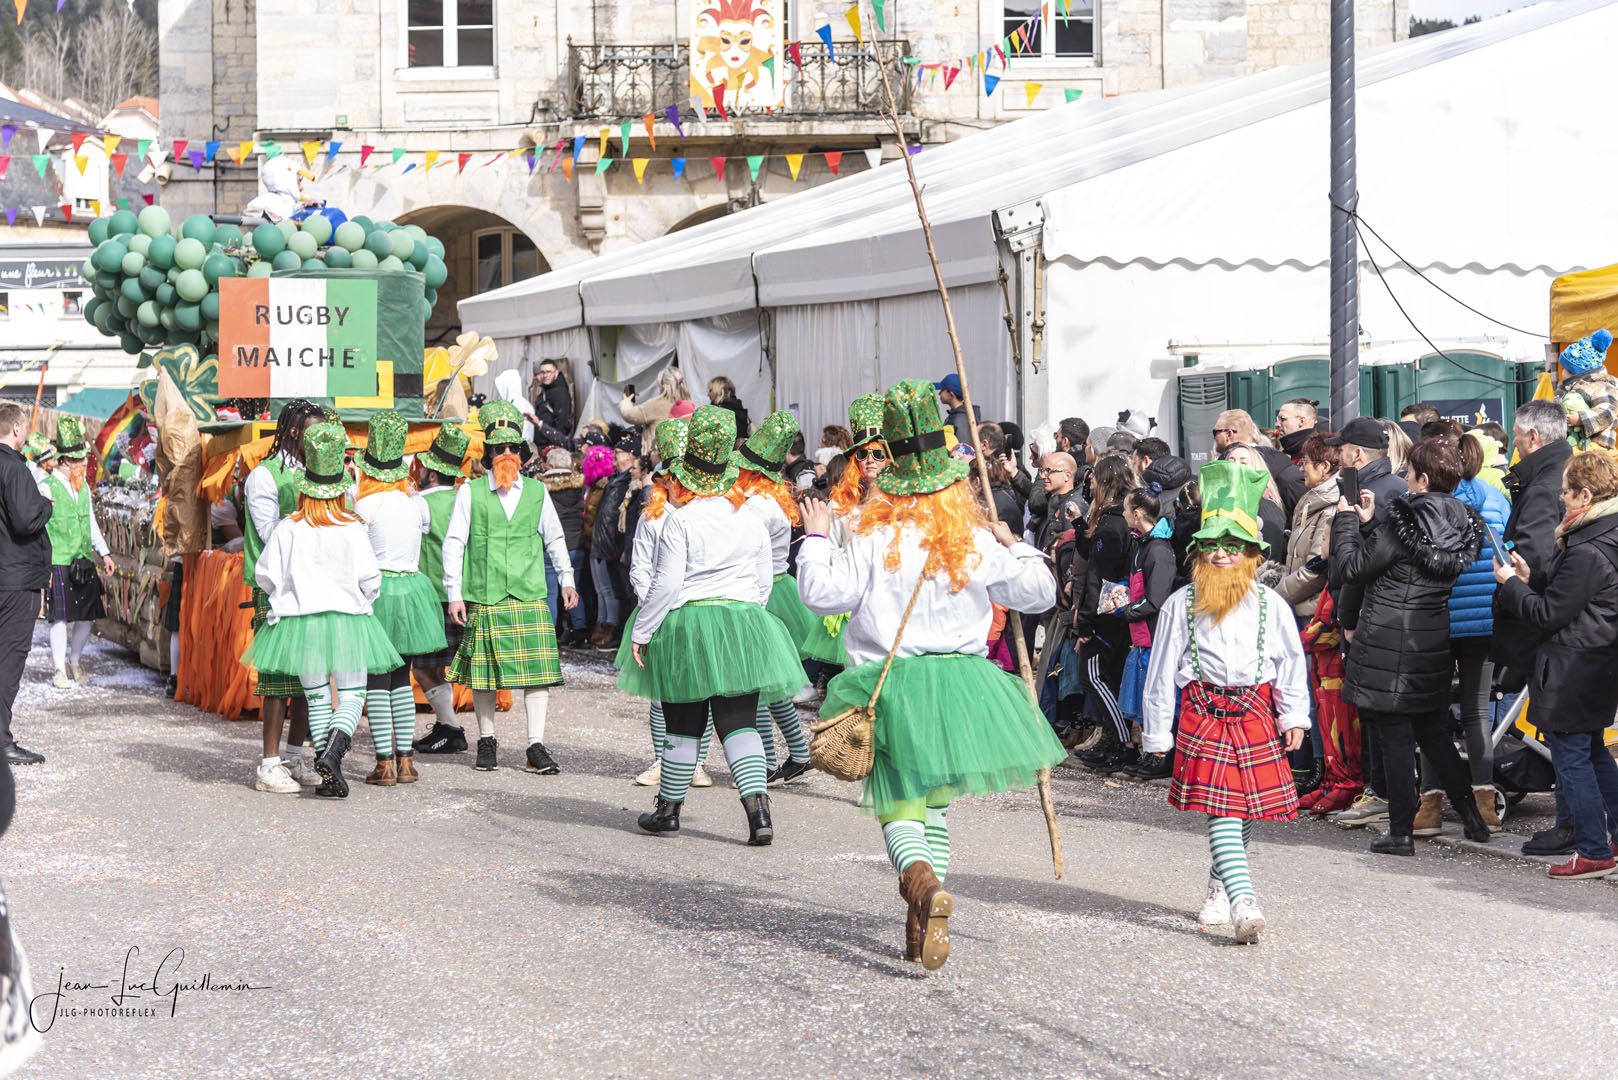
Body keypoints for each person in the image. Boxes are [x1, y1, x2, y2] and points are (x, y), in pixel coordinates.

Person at [798, 380, 1064, 970]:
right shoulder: (971, 536)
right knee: (937, 808)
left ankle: (920, 884)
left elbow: (820, 594)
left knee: (900, 804)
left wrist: (815, 540)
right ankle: (920, 918)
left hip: (893, 685)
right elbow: (1041, 592)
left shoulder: (873, 534)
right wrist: (1015, 544)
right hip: (962, 686)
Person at [1141, 461, 1310, 945]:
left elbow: (1290, 662)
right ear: (1198, 551)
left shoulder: (1271, 605)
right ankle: (1243, 900)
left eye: (1233, 545)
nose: (1221, 554)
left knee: (1245, 808)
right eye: (1212, 545)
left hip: (1255, 711)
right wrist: (1157, 732)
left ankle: (1218, 884)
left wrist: (1294, 714)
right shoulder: (1181, 604)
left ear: (1252, 553)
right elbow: (1160, 672)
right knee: (1225, 809)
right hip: (1204, 712)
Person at [620, 405, 805, 845]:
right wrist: (743, 617)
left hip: (688, 624)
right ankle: (759, 813)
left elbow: (665, 586)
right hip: (743, 620)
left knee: (683, 723)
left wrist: (642, 632)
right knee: (740, 723)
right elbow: (763, 583)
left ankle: (668, 810)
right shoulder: (750, 520)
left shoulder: (680, 521)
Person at [1331, 438, 1490, 855]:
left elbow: (1352, 568)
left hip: (1388, 640)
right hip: (1431, 639)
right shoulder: (1460, 521)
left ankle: (1400, 831)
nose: (1403, 478)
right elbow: (1405, 564)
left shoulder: (1405, 520)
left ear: (1423, 479)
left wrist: (1346, 520)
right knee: (1433, 733)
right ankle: (1472, 818)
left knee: (1395, 737)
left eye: (1409, 473)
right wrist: (1371, 525)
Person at [241, 422, 405, 799]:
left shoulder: (288, 528)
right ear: (339, 487)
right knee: (352, 695)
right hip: (348, 619)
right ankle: (332, 754)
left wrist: (291, 594)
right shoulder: (351, 527)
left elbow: (265, 575)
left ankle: (326, 772)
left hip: (300, 623)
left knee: (316, 697)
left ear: (305, 487)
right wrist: (361, 596)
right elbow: (371, 580)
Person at [1493, 450, 1618, 879]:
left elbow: (1548, 615)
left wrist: (1511, 586)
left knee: (1574, 760)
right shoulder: (1602, 534)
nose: (1560, 498)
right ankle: (1608, 840)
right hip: (1595, 662)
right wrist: (1532, 578)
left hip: (1573, 667)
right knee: (1593, 753)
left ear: (1586, 495)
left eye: (1566, 492)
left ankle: (1593, 851)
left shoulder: (1587, 547)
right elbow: (1574, 595)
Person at [445, 400, 580, 775]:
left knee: (538, 673)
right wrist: (454, 593)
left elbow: (555, 538)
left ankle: (535, 746)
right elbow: (454, 543)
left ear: (521, 453)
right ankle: (487, 740)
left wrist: (567, 580)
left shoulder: (537, 491)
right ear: (488, 454)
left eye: (512, 447)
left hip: (529, 593)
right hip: (485, 595)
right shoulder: (469, 492)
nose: (506, 453)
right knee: (484, 673)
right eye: (499, 447)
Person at [620, 419, 716, 791]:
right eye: (670, 477)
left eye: (683, 476)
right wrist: (655, 608)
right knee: (662, 692)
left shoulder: (707, 516)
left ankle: (697, 762)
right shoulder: (653, 517)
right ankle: (665, 759)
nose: (677, 483)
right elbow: (641, 567)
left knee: (703, 687)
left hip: (700, 613)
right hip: (662, 614)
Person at [352, 410, 446, 787]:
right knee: (402, 678)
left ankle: (384, 763)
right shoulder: (414, 504)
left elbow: (358, 557)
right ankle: (406, 761)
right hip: (411, 591)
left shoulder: (364, 506)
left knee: (377, 678)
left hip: (378, 593)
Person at [1427, 431, 1510, 833]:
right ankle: (1483, 802)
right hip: (1483, 621)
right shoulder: (1495, 498)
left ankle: (1429, 805)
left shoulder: (1431, 502)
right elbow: (1507, 550)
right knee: (1477, 712)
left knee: (1433, 713)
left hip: (1438, 619)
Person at [242, 399, 326, 793]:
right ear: (294, 432)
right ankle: (269, 764)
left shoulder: (320, 473)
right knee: (277, 678)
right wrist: (314, 518)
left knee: (309, 675)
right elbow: (269, 533)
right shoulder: (264, 475)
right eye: (314, 433)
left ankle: (295, 756)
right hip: (275, 586)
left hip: (312, 585)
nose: (321, 440)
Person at [732, 411, 819, 784]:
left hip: (763, 593)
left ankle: (767, 761)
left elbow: (747, 554)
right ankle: (796, 753)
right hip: (778, 588)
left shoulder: (755, 505)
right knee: (769, 684)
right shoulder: (773, 499)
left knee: (754, 684)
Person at [410, 421, 473, 757]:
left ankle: (451, 728)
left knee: (423, 668)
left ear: (432, 473)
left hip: (433, 595)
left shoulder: (420, 503)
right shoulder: (467, 498)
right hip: (465, 594)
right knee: (451, 668)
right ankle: (451, 728)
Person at [1072, 454, 1138, 772]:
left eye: (1095, 478)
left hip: (1106, 613)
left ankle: (1123, 743)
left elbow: (1101, 577)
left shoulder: (1113, 524)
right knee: (1105, 678)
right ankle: (1112, 740)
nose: (1091, 483)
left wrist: (1087, 621)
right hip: (1112, 610)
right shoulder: (1113, 519)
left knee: (1094, 677)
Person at [38, 416, 113, 690]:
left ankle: (75, 661)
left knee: (86, 616)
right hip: (58, 560)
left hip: (83, 558)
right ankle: (59, 670)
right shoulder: (46, 487)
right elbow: (39, 529)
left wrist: (104, 553)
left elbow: (91, 522)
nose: (84, 464)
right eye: (81, 460)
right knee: (59, 617)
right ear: (66, 461)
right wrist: (42, 565)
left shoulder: (84, 489)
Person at [0, 402, 52, 766]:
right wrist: (45, 504)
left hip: (7, 573)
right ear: (17, 429)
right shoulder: (13, 467)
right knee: (9, 660)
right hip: (15, 579)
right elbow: (25, 520)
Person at [1117, 488, 1176, 780]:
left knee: (1156, 699)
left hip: (1154, 638)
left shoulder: (1158, 550)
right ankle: (1151, 753)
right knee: (1144, 700)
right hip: (1141, 637)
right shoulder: (1142, 544)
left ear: (1137, 514)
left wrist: (1125, 611)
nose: (1123, 513)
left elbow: (1156, 600)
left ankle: (1163, 757)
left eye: (1126, 509)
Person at [588, 435, 638, 650]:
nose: (614, 459)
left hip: (617, 544)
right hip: (607, 542)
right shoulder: (616, 479)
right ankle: (612, 629)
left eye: (617, 454)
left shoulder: (628, 481)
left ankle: (618, 632)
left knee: (623, 593)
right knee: (613, 590)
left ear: (629, 456)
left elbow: (625, 516)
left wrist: (622, 545)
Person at [538, 447, 589, 647]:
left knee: (551, 591)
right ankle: (580, 630)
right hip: (575, 541)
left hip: (550, 543)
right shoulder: (579, 485)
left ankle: (550, 633)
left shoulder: (541, 486)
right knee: (574, 587)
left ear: (550, 465)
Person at [1219, 444, 1287, 554]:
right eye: (1231, 461)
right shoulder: (1220, 503)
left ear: (1257, 470)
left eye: (1243, 463)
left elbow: (1270, 554)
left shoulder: (1266, 506)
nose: (1235, 466)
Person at [619, 365, 692, 456]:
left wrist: (626, 402)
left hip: (657, 455)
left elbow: (630, 415)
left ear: (662, 384)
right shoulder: (688, 404)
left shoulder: (656, 404)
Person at [530, 359, 575, 446]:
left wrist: (554, 444)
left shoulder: (560, 392)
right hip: (542, 442)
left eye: (548, 372)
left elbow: (562, 422)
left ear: (556, 373)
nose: (545, 375)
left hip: (551, 444)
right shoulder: (547, 389)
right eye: (542, 372)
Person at [933, 373, 979, 448]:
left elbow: (964, 449)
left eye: (942, 390)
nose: (939, 393)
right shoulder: (956, 415)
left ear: (951, 395)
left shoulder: (961, 420)